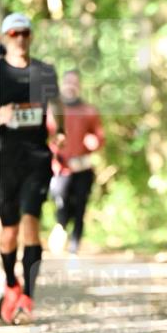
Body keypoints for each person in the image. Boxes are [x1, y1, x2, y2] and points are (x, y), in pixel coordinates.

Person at [0, 13, 62, 325]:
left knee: (30, 223)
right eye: (14, 33)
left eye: (25, 33)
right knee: (7, 235)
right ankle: (12, 283)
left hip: (37, 159)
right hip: (4, 161)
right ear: (4, 38)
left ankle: (30, 296)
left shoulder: (44, 71)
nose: (20, 38)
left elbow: (56, 107)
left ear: (31, 36)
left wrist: (59, 130)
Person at [49, 69, 105, 255]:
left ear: (79, 86)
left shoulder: (88, 110)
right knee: (61, 199)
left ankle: (75, 244)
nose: (71, 86)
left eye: (75, 82)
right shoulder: (52, 109)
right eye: (68, 82)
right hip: (60, 166)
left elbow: (99, 136)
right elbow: (44, 135)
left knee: (81, 204)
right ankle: (61, 226)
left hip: (82, 165)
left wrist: (94, 142)